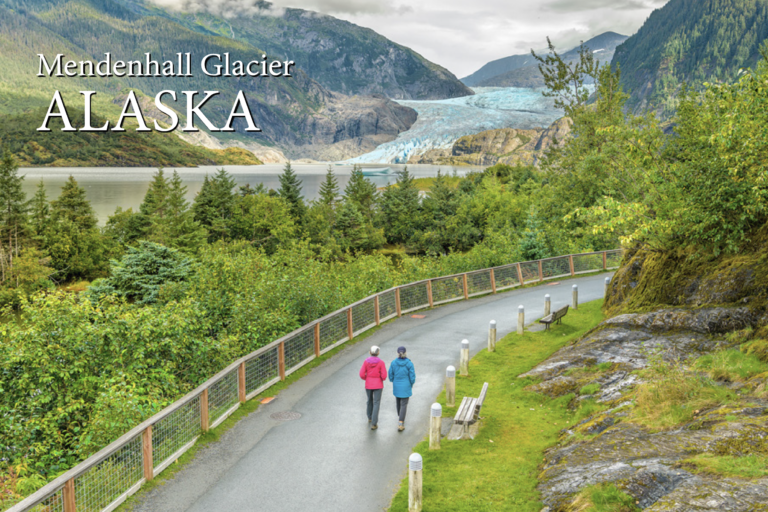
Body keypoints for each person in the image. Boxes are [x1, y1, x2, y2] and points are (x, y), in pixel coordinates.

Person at [359, 345, 387, 430]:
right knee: (376, 402)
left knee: (369, 400)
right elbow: (384, 375)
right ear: (378, 353)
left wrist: (366, 378)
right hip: (378, 385)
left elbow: (361, 374)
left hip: (368, 384)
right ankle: (374, 423)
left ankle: (369, 416)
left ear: (370, 352)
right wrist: (381, 379)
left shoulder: (366, 362)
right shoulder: (381, 362)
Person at [388, 346, 416, 432]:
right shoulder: (409, 363)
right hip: (406, 385)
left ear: (397, 353)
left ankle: (400, 416)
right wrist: (411, 383)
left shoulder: (393, 363)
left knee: (398, 401)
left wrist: (393, 380)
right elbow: (412, 376)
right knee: (404, 404)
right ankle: (400, 422)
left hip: (397, 384)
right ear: (405, 353)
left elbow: (390, 374)